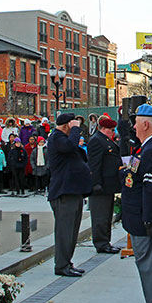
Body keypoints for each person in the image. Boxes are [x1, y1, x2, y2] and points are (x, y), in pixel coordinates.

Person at [121, 104, 152, 303]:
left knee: (150, 271)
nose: (133, 126)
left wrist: (148, 221)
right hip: (141, 220)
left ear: (146, 124)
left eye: (136, 122)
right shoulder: (145, 148)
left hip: (144, 224)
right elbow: (130, 174)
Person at [47, 112, 93, 277]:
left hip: (74, 191)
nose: (77, 130)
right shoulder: (56, 138)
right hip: (64, 192)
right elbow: (69, 147)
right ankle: (61, 265)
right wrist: (74, 131)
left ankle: (67, 262)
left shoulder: (65, 139)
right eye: (74, 126)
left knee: (72, 231)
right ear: (67, 125)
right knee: (64, 231)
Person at [86, 115, 121, 254]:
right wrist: (96, 183)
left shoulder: (105, 140)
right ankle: (101, 243)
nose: (113, 132)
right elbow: (94, 165)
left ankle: (106, 241)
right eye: (111, 130)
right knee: (100, 217)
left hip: (108, 185)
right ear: (104, 129)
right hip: (100, 186)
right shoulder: (96, 141)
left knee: (107, 216)